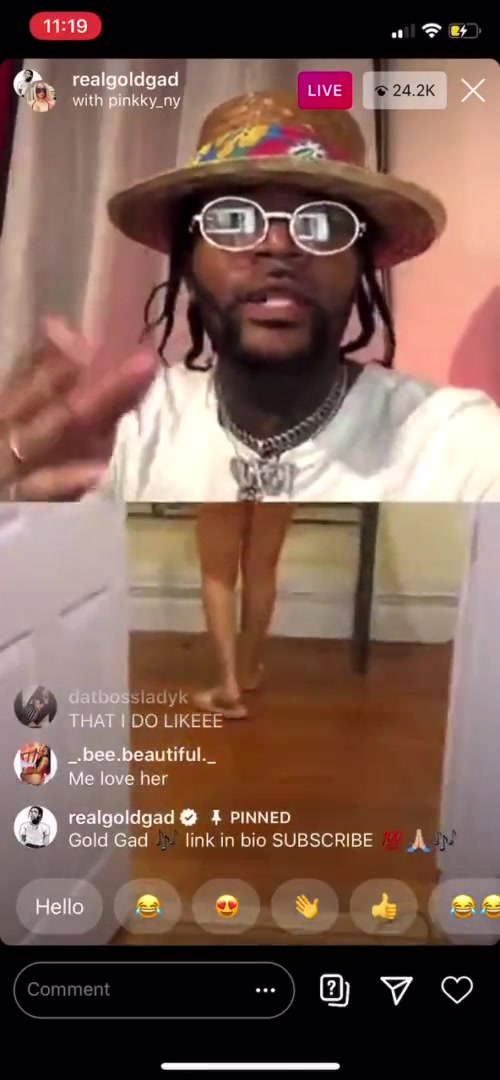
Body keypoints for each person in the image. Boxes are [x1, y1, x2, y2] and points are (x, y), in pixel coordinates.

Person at [3, 89, 500, 502]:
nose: (278, 246)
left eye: (322, 223)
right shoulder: (129, 431)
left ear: (361, 264)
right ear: (187, 260)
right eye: (233, 220)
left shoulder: (456, 444)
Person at [193, 502, 293, 717]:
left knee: (217, 572)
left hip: (221, 480)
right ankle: (248, 672)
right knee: (262, 570)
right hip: (275, 479)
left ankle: (228, 685)